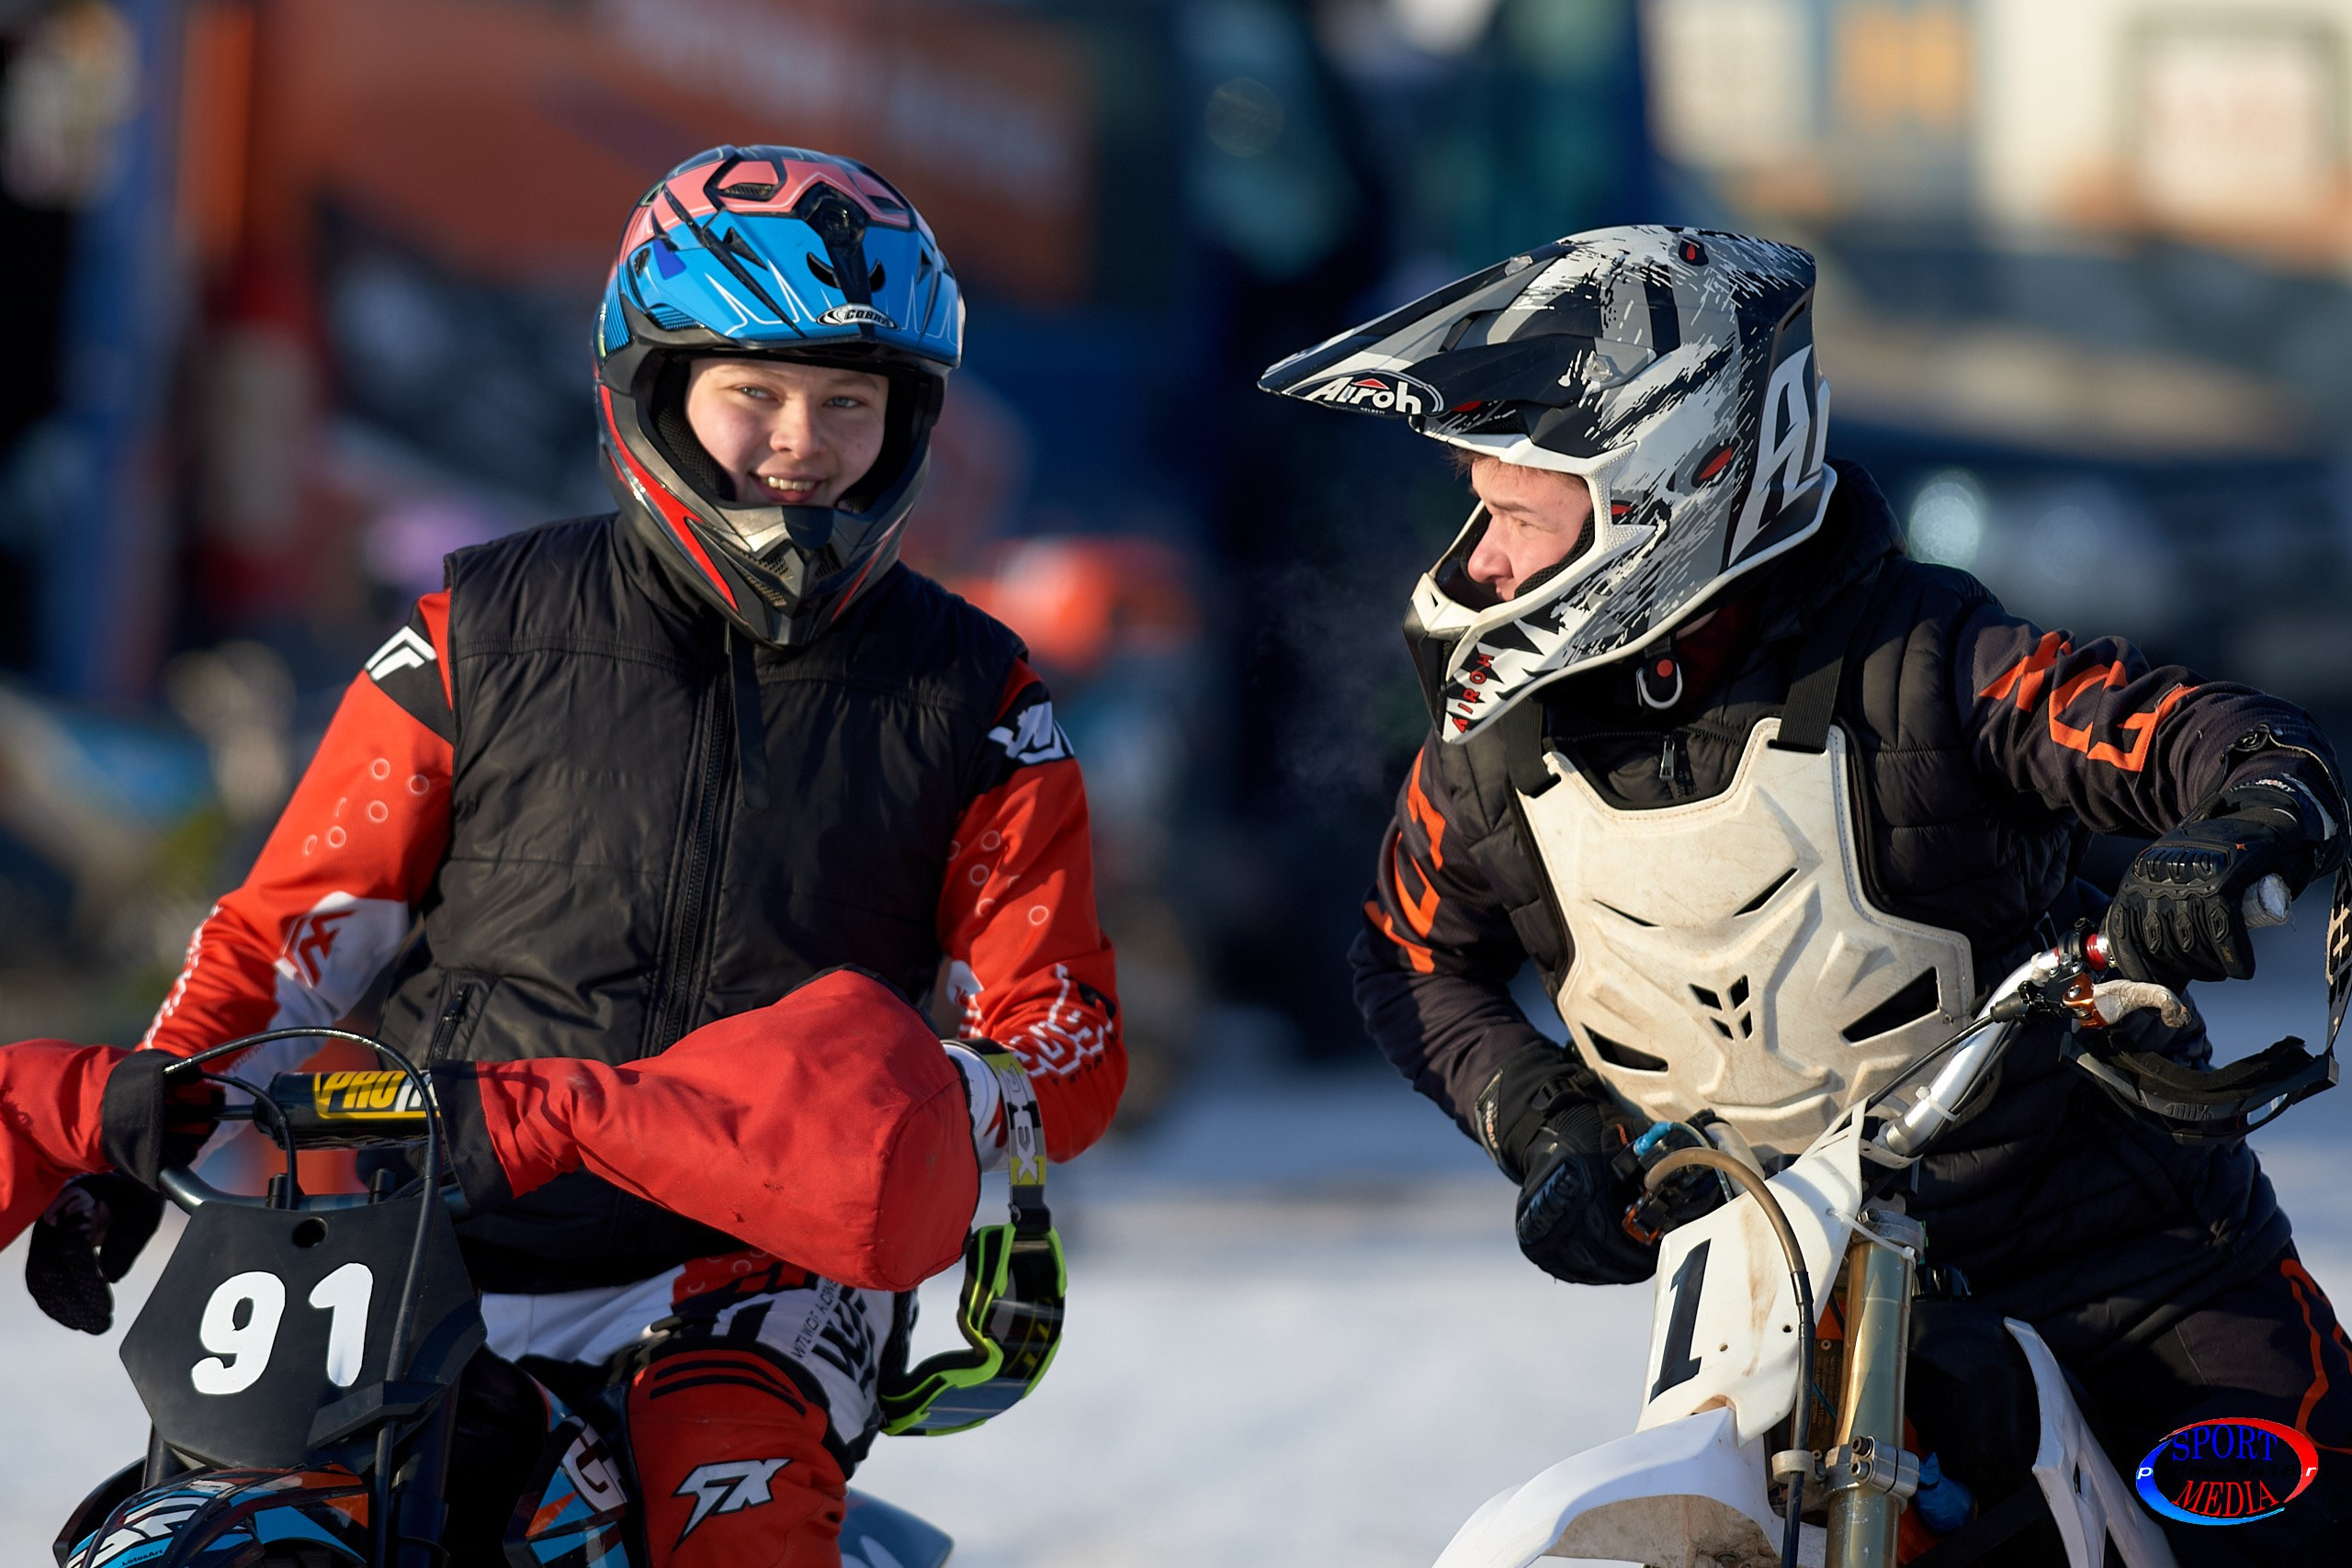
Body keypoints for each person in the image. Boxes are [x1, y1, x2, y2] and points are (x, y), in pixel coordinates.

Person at [23, 145, 1124, 1567]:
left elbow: (1067, 1039)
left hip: (759, 1265)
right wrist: (139, 1135)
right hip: (415, 1211)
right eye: (755, 392)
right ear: (652, 391)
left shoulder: (978, 696)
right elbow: (290, 938)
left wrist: (905, 1105)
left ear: (909, 421)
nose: (802, 441)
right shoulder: (475, 633)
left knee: (733, 1516)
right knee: (253, 1526)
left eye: (849, 402)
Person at [1265, 226, 2351, 1562]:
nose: (1479, 562)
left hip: (2119, 1268)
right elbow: (1409, 959)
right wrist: (1541, 1120)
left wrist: (2239, 822)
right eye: (1481, 512)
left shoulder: (1926, 658)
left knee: (2295, 1531)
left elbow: (2212, 738)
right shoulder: (1490, 749)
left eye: (1519, 518)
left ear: (1666, 491)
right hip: (1771, 1297)